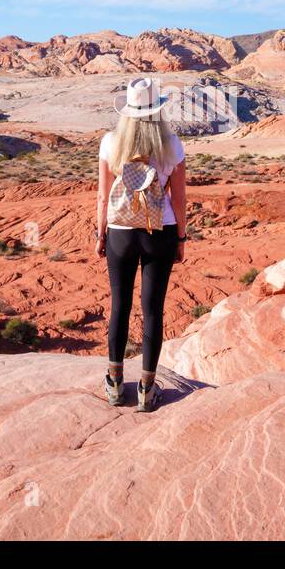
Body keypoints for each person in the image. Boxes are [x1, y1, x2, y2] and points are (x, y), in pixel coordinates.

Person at [96, 77, 187, 413]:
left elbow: (104, 195)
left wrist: (100, 233)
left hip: (120, 230)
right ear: (157, 110)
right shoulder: (171, 145)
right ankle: (147, 390)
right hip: (159, 232)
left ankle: (115, 384)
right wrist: (181, 237)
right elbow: (179, 199)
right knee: (152, 311)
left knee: (119, 305)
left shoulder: (110, 142)